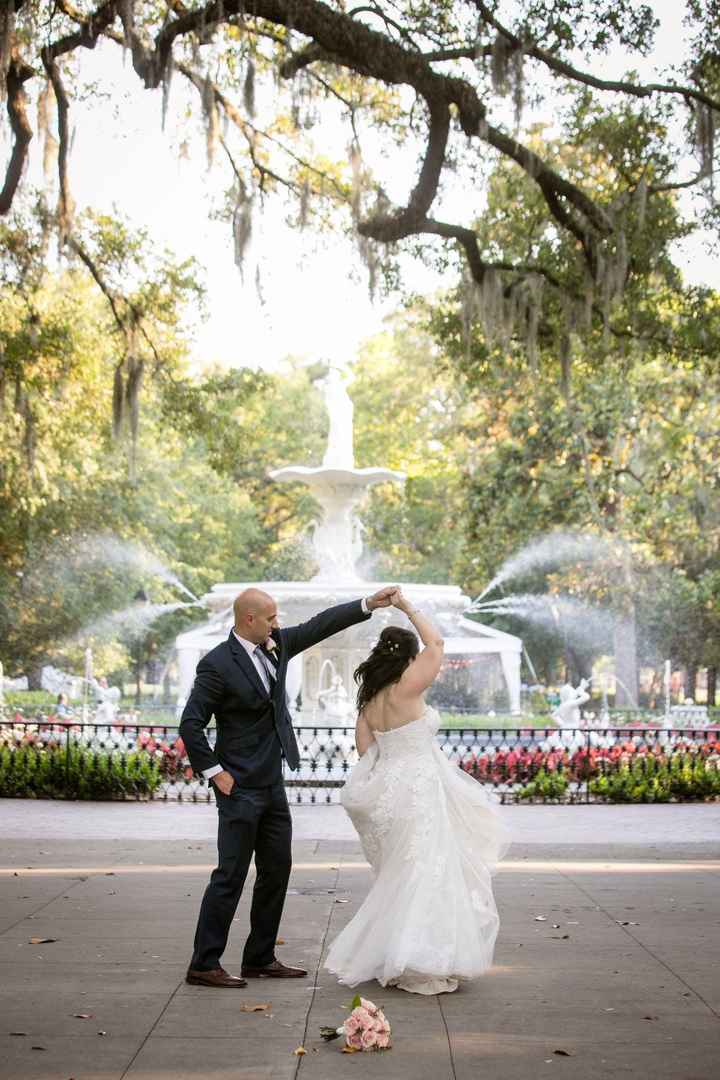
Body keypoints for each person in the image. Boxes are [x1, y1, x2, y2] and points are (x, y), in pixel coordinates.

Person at [179, 584, 397, 989]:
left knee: (276, 870)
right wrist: (214, 772)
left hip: (272, 784)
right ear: (249, 620)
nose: (277, 624)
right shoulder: (217, 664)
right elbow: (190, 725)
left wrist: (368, 604)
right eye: (271, 618)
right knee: (230, 875)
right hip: (238, 787)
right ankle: (203, 963)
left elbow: (320, 625)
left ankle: (260, 958)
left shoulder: (276, 645)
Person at [324, 588, 511, 995]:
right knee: (429, 870)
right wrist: (407, 607)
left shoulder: (369, 702)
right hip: (422, 791)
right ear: (409, 659)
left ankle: (399, 951)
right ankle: (423, 956)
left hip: (392, 793)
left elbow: (365, 752)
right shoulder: (410, 684)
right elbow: (438, 642)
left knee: (403, 873)